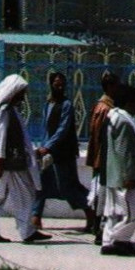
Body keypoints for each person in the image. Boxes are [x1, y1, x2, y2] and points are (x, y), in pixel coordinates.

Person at [0, 74, 50, 244]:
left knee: (10, 197)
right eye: (22, 92)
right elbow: (1, 137)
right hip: (8, 164)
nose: (24, 96)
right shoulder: (6, 113)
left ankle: (25, 231)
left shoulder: (12, 111)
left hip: (13, 162)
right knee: (3, 197)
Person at [34, 71, 90, 233]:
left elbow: (62, 129)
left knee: (68, 187)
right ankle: (35, 218)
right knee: (41, 185)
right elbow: (46, 129)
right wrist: (42, 147)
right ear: (51, 84)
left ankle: (91, 209)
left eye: (62, 84)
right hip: (49, 153)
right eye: (56, 84)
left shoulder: (66, 105)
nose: (60, 87)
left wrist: (48, 146)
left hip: (63, 153)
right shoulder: (48, 104)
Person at [97, 83, 135, 255]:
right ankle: (119, 240)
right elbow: (124, 151)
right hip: (124, 176)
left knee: (114, 212)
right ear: (127, 103)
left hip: (113, 174)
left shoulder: (114, 117)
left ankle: (107, 241)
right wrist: (129, 176)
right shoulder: (124, 122)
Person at [84, 71, 119, 242]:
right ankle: (97, 228)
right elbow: (99, 136)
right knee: (101, 195)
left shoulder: (106, 106)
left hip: (104, 159)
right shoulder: (105, 108)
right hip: (104, 160)